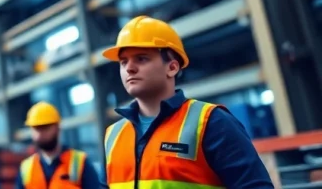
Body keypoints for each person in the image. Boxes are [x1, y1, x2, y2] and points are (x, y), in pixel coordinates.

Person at [102, 15, 273, 189]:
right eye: (123, 62)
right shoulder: (113, 135)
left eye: (141, 58)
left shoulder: (211, 122)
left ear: (172, 67)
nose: (129, 68)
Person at [16, 102, 102, 189]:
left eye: (45, 127)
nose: (40, 134)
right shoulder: (26, 168)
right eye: (36, 129)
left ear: (57, 128)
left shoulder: (79, 162)